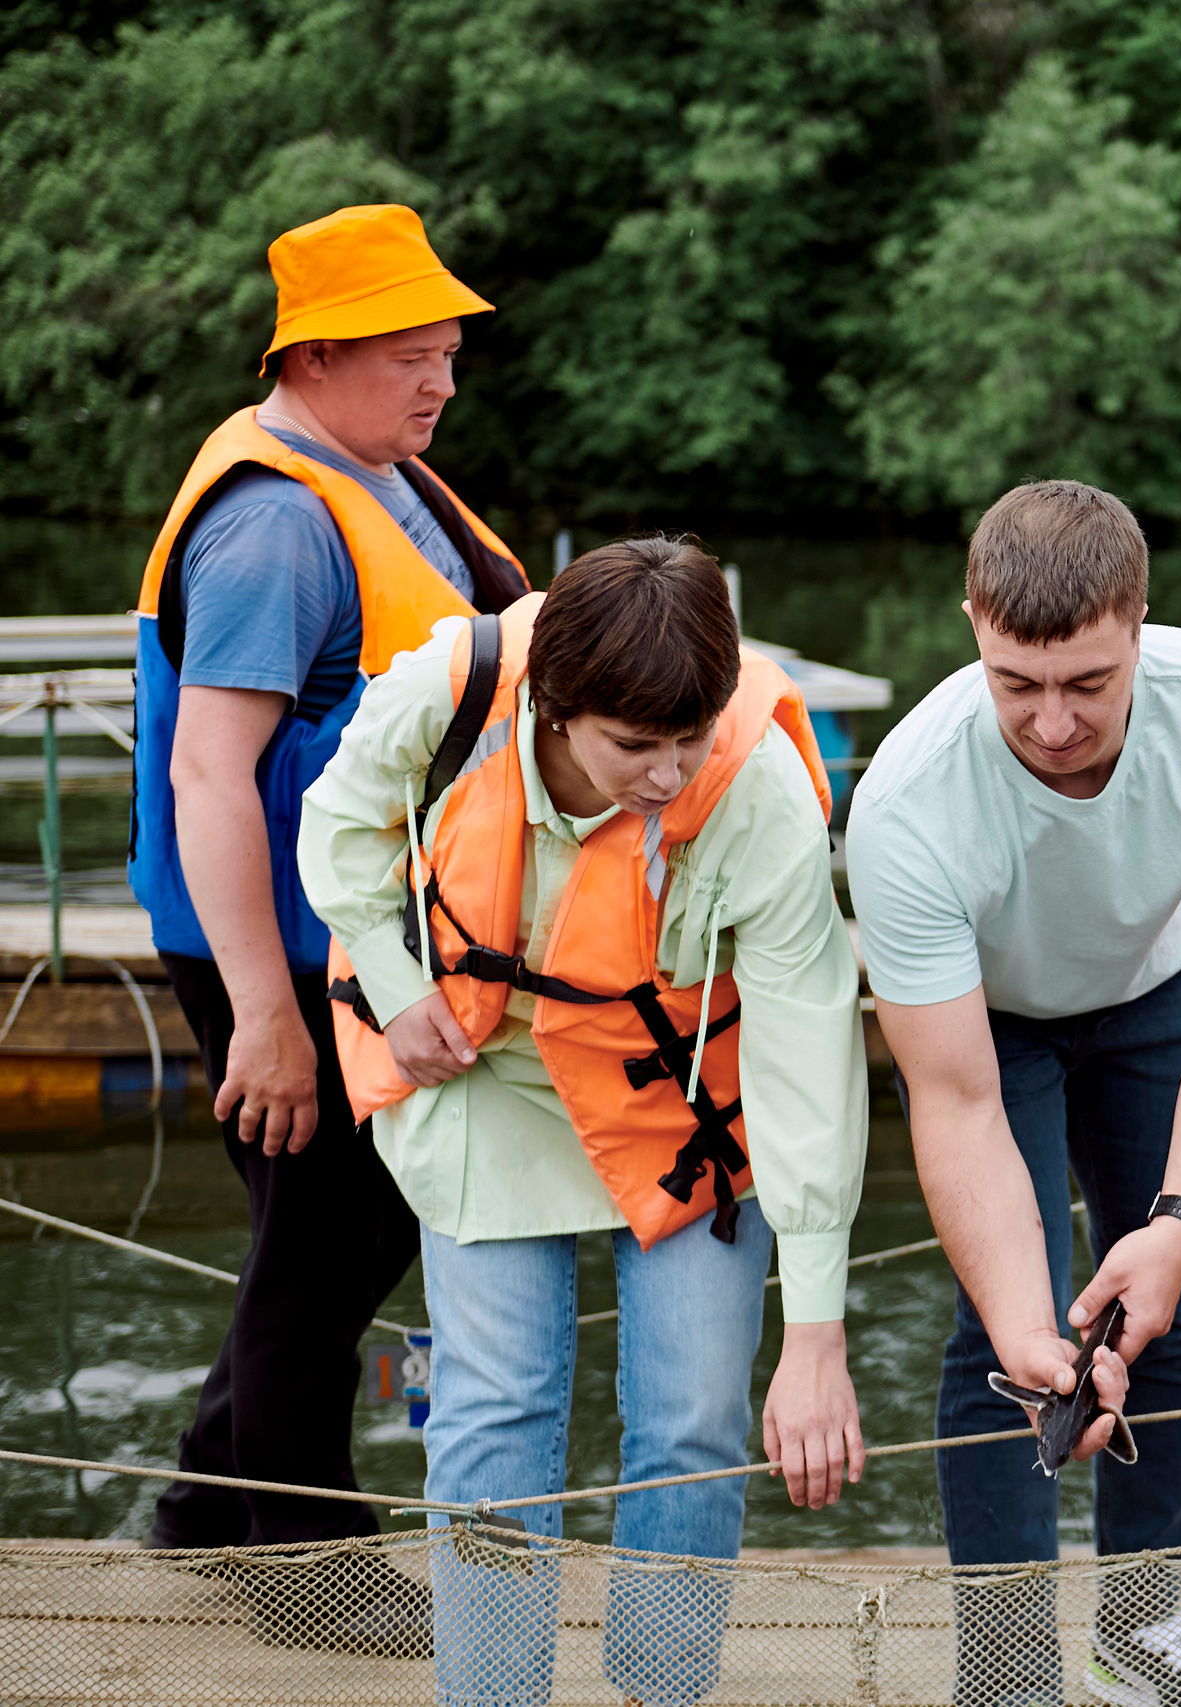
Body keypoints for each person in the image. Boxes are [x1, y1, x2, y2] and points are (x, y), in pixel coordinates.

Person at [300, 539, 868, 1706]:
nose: (669, 777)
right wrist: (403, 996)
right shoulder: (451, 692)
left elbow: (811, 1058)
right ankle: (493, 1696)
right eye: (634, 750)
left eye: (690, 741)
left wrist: (816, 1335)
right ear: (554, 711)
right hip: (489, 1081)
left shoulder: (752, 788)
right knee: (495, 1408)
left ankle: (659, 1690)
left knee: (700, 1413)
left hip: (680, 1104)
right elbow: (338, 829)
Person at [127, 203, 530, 1653]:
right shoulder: (271, 527)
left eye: (448, 356)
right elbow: (206, 773)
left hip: (362, 934)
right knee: (330, 1239)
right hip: (283, 953)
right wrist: (265, 1017)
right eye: (411, 357)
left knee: (337, 1234)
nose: (440, 385)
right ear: (313, 355)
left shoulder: (375, 467)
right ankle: (307, 1559)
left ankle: (196, 1505)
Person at [851, 480, 1181, 1707]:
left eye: (1088, 685)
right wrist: (1020, 1325)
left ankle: (1141, 1626)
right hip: (991, 1016)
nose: (1051, 723)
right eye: (1016, 684)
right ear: (972, 628)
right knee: (1012, 1328)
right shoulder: (903, 804)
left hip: (1152, 990)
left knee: (1170, 1292)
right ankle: (1005, 1669)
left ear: (1140, 625)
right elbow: (951, 1102)